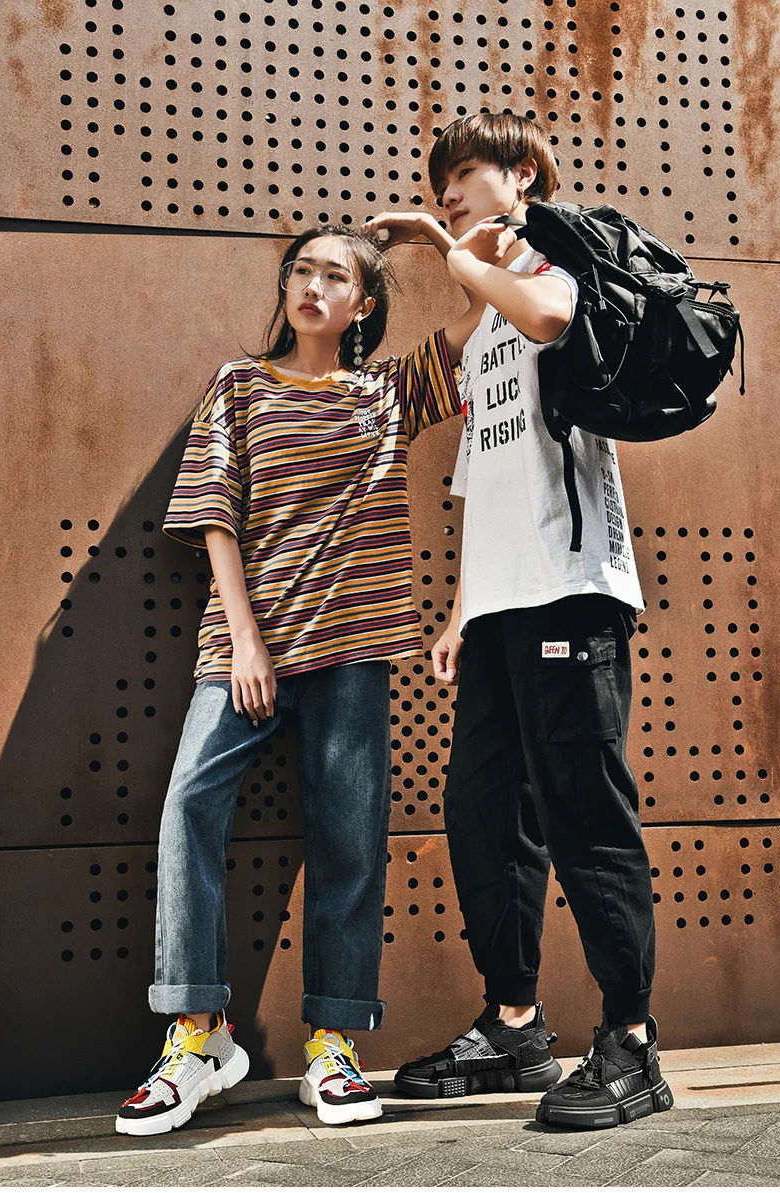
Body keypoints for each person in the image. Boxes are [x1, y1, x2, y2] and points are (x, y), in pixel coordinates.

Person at [115, 224, 482, 1135]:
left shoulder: (387, 392)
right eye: (302, 270)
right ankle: (198, 1033)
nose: (313, 285)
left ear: (364, 305)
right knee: (189, 805)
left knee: (350, 838)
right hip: (246, 645)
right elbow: (215, 512)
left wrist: (435, 237)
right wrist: (245, 638)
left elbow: (484, 309)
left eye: (336, 276)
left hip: (354, 647)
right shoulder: (239, 386)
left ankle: (333, 1043)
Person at [368, 112, 674, 1130]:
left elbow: (546, 317)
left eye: (465, 172)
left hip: (569, 589)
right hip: (500, 608)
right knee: (483, 814)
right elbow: (480, 470)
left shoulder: (556, 260)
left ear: (522, 174)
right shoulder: (483, 316)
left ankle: (632, 1040)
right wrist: (463, 607)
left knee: (585, 812)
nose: (449, 191)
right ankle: (513, 1023)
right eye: (441, 181)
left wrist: (445, 246)